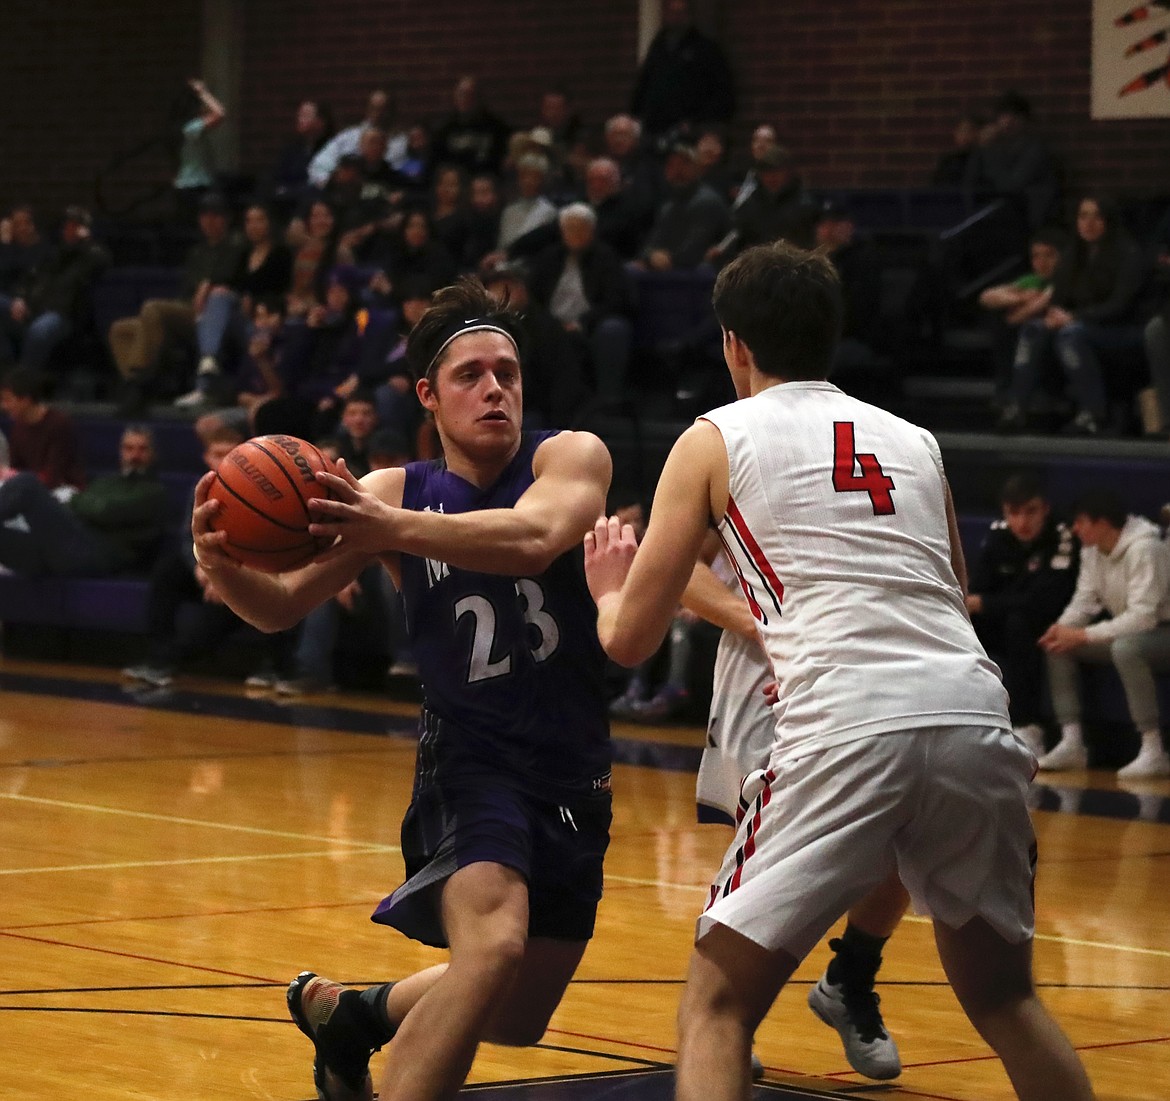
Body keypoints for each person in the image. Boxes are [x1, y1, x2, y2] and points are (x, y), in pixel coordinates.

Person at [582, 241, 1095, 1101]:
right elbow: (952, 590)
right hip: (972, 711)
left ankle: (847, 980)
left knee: (715, 1006)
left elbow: (631, 640)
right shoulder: (918, 440)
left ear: (734, 344)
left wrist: (605, 589)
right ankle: (853, 979)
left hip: (848, 719)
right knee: (1008, 997)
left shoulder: (715, 436)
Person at [190, 276, 614, 1101]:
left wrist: (388, 530)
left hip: (574, 768)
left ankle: (357, 1015)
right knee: (490, 950)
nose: (496, 388)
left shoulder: (571, 455)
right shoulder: (389, 490)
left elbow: (532, 539)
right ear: (428, 394)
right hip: (471, 764)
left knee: (516, 1011)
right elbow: (279, 608)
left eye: (508, 372)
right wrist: (218, 562)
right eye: (471, 375)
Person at [121, 424, 297, 690]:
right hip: (209, 568)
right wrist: (200, 568)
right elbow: (187, 538)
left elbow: (266, 548)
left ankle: (274, 666)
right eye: (217, 454)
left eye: (231, 453)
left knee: (224, 613)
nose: (223, 460)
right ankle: (157, 658)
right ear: (206, 457)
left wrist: (224, 576)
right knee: (167, 572)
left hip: (248, 573)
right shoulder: (202, 486)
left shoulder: (263, 491)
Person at [1037, 488, 1170, 778]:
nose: (1075, 528)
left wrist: (1083, 635)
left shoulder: (1146, 549)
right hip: (1134, 630)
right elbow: (1084, 600)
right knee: (1060, 645)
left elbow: (1144, 617)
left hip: (1162, 631)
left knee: (1127, 648)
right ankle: (1072, 742)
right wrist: (1061, 628)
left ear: (1103, 523)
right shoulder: (1091, 551)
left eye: (1081, 522)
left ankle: (1153, 749)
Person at [998, 195, 1147, 436]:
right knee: (1034, 329)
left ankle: (1094, 414)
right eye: (1083, 216)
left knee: (1070, 335)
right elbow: (1059, 296)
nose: (1089, 223)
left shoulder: (1128, 254)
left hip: (1121, 329)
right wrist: (1055, 314)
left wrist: (1074, 317)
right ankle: (1016, 405)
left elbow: (1120, 306)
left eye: (1097, 216)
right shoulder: (1073, 254)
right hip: (1082, 323)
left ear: (1108, 220)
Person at [966, 472, 1080, 757]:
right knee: (963, 625)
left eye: (1031, 512)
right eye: (1014, 513)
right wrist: (985, 605)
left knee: (1019, 623)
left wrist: (989, 604)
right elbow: (976, 593)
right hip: (1006, 620)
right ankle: (966, 722)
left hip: (1048, 622)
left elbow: (1043, 601)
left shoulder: (1062, 536)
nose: (1022, 522)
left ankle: (1029, 726)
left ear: (1045, 509)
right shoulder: (998, 535)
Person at [0, 424, 168, 577]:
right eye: (129, 449)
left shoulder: (154, 492)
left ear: (153, 453)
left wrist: (75, 501)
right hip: (64, 548)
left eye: (142, 449)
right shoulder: (106, 482)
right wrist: (82, 504)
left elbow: (105, 511)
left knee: (28, 484)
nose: (134, 455)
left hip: (95, 556)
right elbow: (89, 506)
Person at [0, 205, 110, 374]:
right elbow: (29, 278)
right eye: (67, 226)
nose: (69, 230)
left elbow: (102, 260)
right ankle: (6, 374)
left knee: (39, 331)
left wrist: (86, 242)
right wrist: (19, 298)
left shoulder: (90, 254)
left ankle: (24, 382)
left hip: (61, 314)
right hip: (33, 307)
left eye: (74, 226)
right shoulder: (53, 252)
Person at [979, 228, 1065, 406]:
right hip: (1025, 336)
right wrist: (1022, 297)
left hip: (1053, 338)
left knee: (1022, 326)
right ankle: (1006, 390)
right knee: (998, 322)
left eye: (1049, 256)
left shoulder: (1065, 280)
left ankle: (1019, 397)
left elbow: (1017, 317)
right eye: (1036, 256)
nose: (1042, 262)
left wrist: (1030, 303)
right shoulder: (1031, 280)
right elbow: (987, 297)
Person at [630, 0, 735, 143]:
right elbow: (644, 85)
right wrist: (636, 116)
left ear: (689, 15)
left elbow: (722, 94)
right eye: (672, 13)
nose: (676, 17)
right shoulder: (658, 48)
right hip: (655, 131)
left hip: (689, 133)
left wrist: (696, 123)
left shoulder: (705, 50)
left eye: (680, 13)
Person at [0, 365, 85, 491]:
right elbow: (15, 467)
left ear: (25, 400)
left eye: (8, 400)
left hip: (64, 488)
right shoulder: (19, 427)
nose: (3, 406)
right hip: (30, 486)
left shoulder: (58, 424)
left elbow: (54, 476)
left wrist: (17, 478)